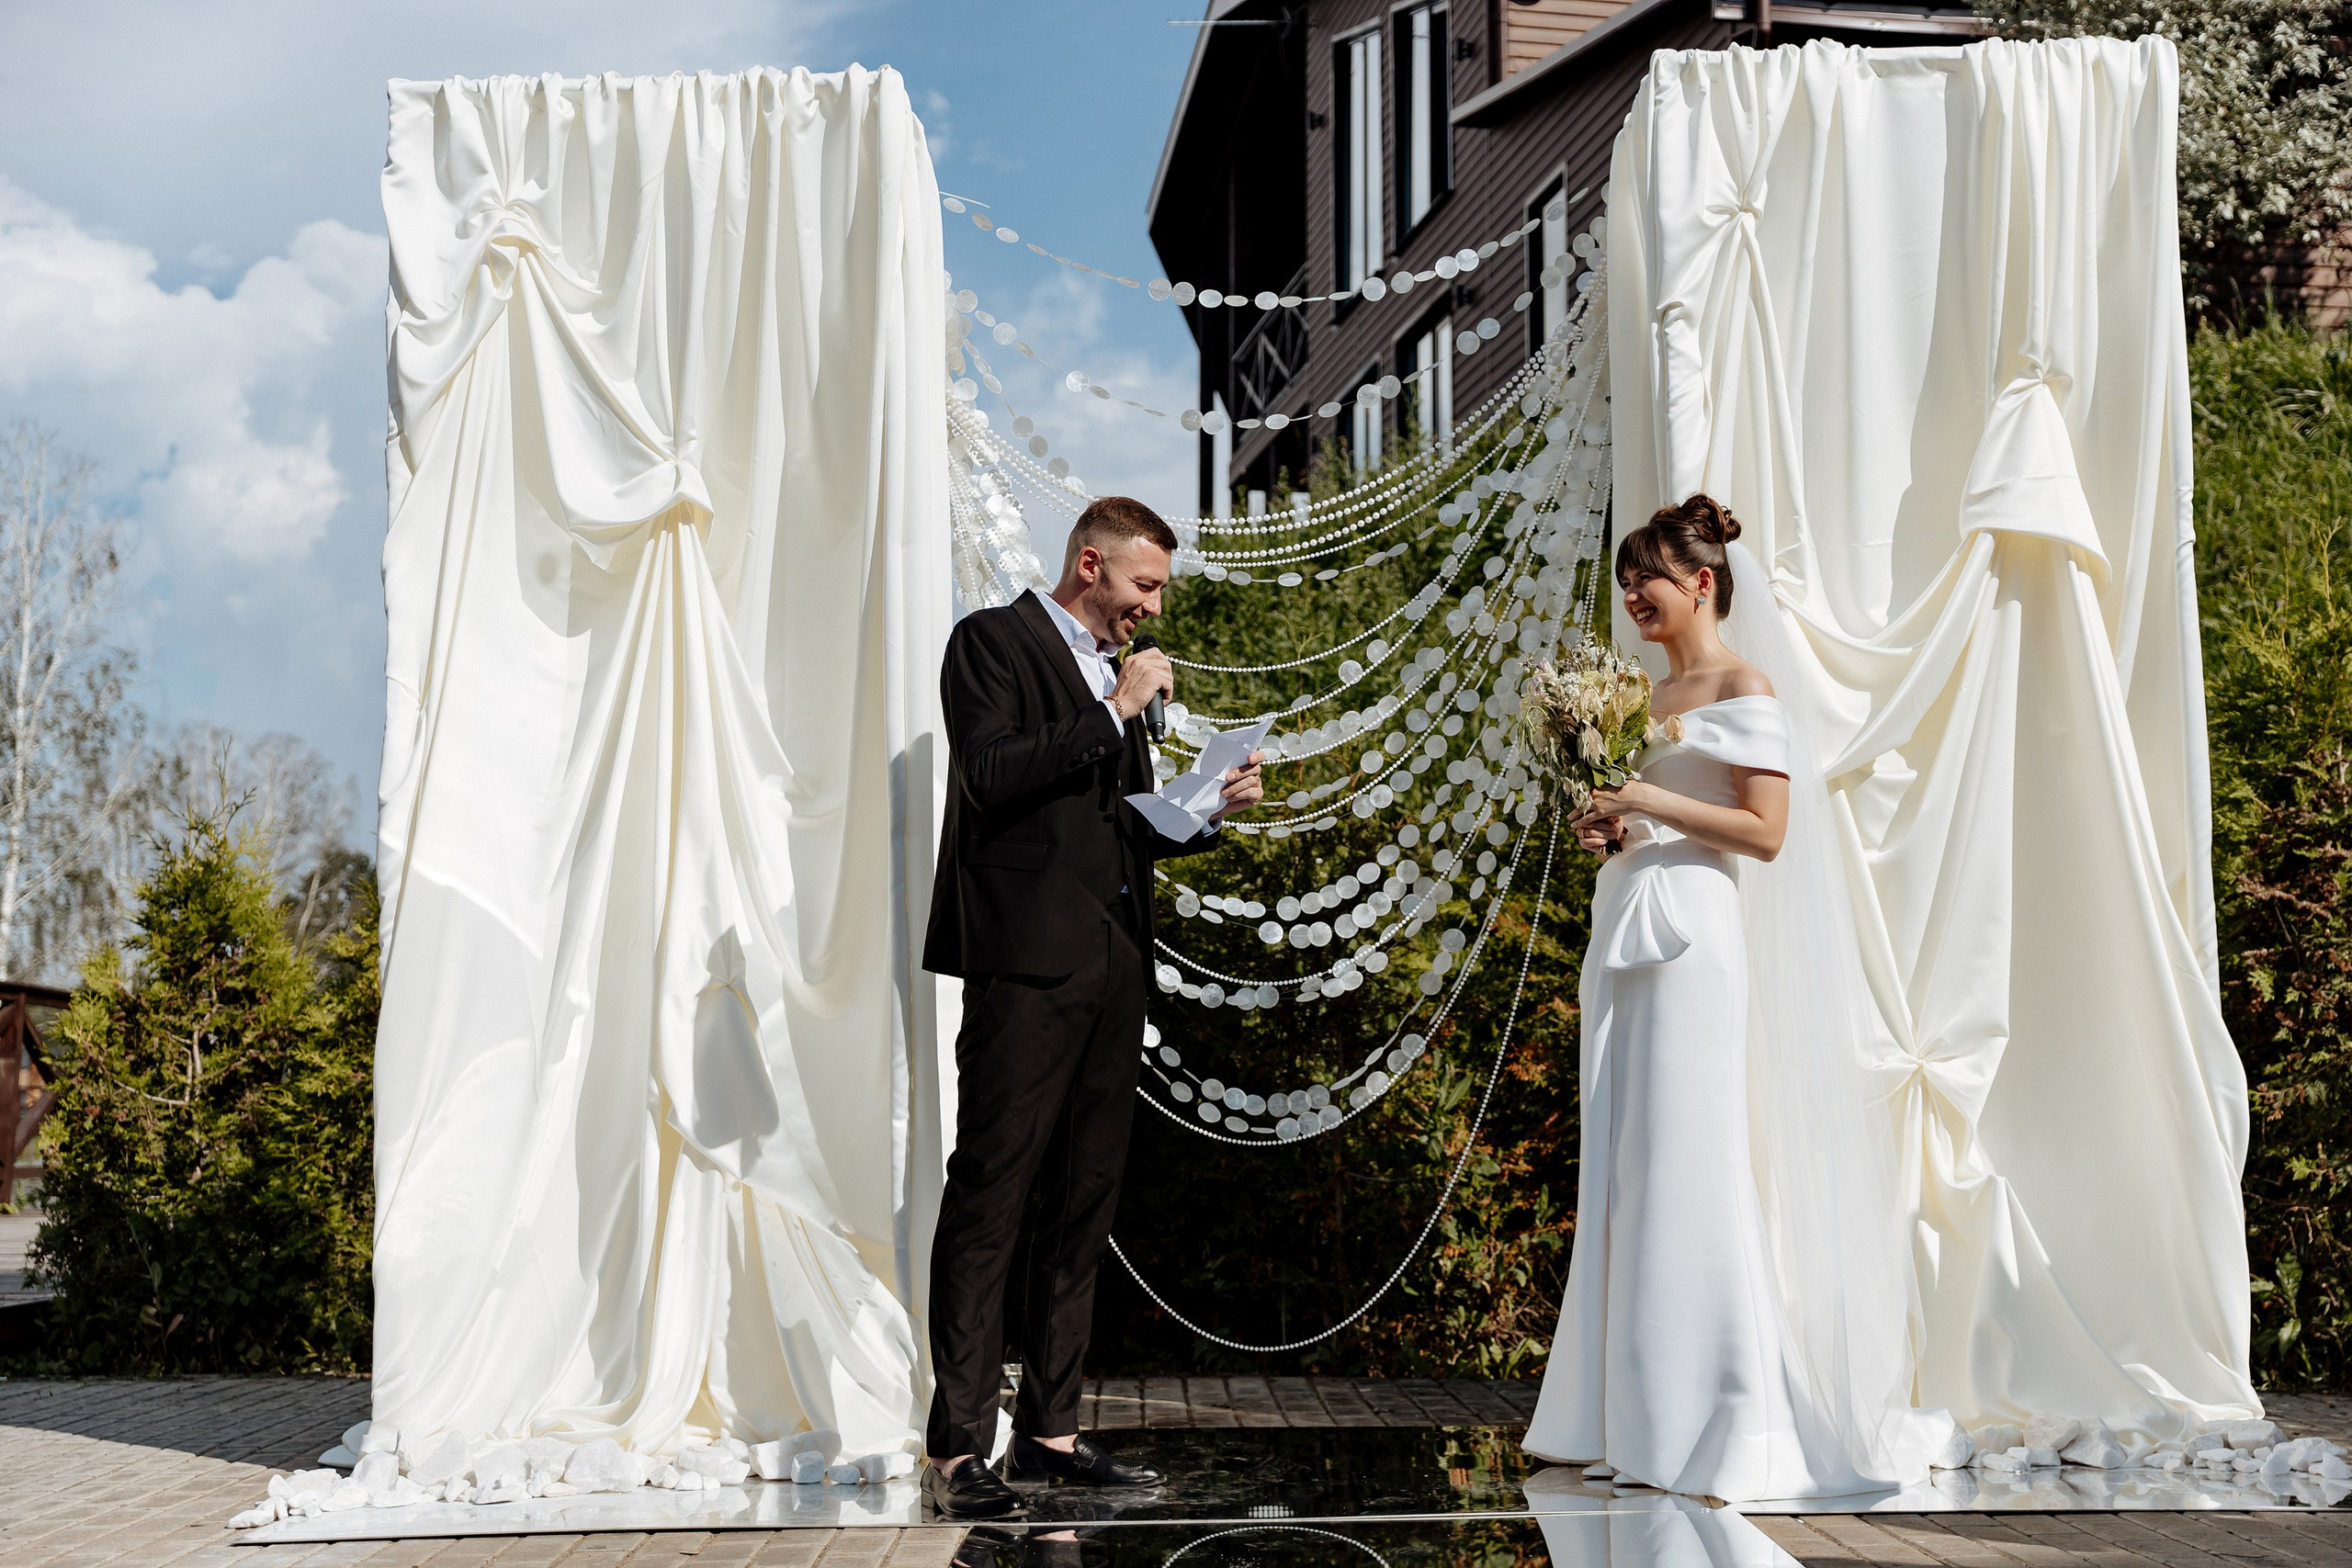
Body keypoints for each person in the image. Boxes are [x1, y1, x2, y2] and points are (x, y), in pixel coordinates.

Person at [1523, 493, 1934, 1502]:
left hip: (1694, 934)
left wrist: (1646, 799)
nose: (1631, 597)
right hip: (1627, 917)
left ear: (1701, 583)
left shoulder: (1743, 684)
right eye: (1624, 583)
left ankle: (1707, 1424)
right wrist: (1609, 831)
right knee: (1621, 1160)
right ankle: (1623, 1415)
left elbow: (1765, 831)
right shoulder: (1634, 698)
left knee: (1683, 1157)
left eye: (1646, 579)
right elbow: (1649, 816)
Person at [919, 495, 1264, 1519]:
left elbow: (1117, 827)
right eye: (1143, 586)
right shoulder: (991, 643)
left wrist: (1203, 811)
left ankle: (1051, 1434)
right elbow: (988, 776)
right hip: (1024, 964)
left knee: (1083, 1202)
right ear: (1088, 565)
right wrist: (1110, 712)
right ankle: (957, 1449)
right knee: (992, 1192)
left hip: (1116, 962)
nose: (1150, 609)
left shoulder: (1116, 682)